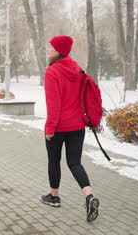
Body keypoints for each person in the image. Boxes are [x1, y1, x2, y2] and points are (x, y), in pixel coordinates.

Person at [40, 35, 99, 222]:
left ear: (59, 51)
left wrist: (50, 128)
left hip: (58, 127)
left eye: (51, 48)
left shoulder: (52, 72)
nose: (48, 50)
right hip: (77, 127)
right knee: (75, 163)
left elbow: (53, 105)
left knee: (54, 161)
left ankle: (54, 197)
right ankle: (89, 196)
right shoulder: (77, 70)